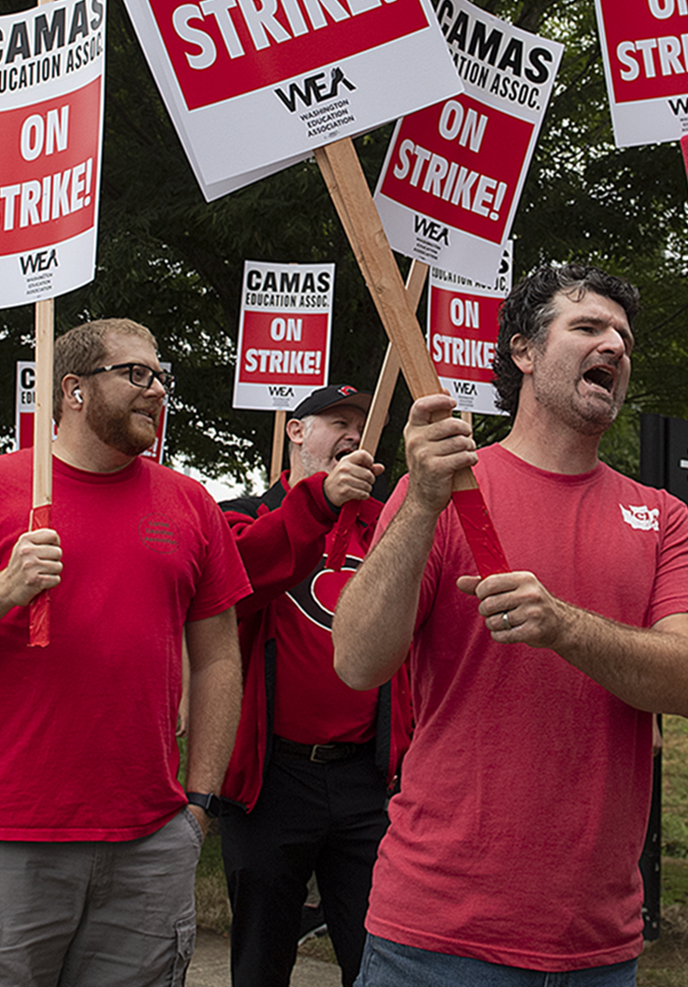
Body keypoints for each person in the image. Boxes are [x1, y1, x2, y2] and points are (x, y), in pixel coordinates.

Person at [333, 262, 688, 983]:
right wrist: (419, 503)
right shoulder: (443, 490)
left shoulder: (661, 517)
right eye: (589, 326)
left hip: (595, 947)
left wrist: (562, 625)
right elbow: (356, 660)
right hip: (434, 937)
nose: (616, 345)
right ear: (524, 352)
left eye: (624, 336)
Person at [0, 318, 248, 987]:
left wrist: (199, 802)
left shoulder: (192, 505)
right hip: (10, 838)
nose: (157, 390)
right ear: (74, 390)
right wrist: (4, 587)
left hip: (150, 840)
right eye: (136, 373)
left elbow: (220, 657)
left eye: (161, 375)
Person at [218, 382, 404, 987]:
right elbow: (238, 580)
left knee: (378, 954)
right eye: (334, 420)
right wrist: (318, 503)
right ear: (295, 430)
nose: (351, 432)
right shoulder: (244, 516)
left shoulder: (388, 527)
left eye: (361, 423)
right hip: (271, 780)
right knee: (261, 959)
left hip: (367, 779)